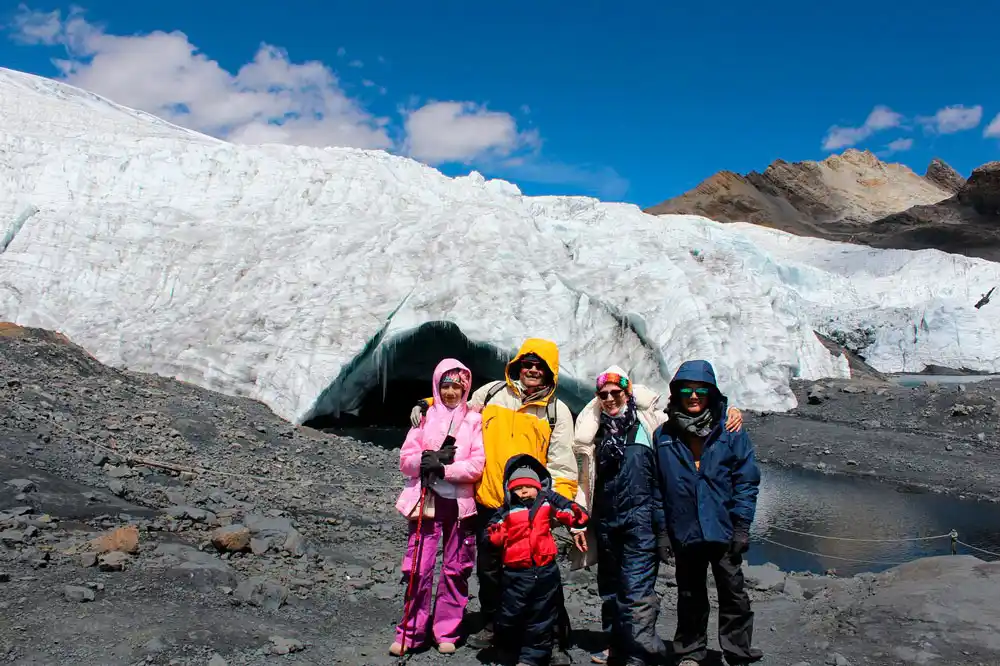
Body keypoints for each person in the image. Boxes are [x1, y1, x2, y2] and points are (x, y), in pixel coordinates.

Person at [410, 338, 579, 663]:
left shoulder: (556, 412)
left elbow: (561, 463)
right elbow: (457, 408)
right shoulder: (492, 394)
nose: (532, 370)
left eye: (539, 366)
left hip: (531, 507)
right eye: (527, 364)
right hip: (489, 500)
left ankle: (549, 634)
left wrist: (561, 503)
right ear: (518, 365)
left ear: (550, 372)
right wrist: (426, 401)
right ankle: (494, 623)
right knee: (489, 570)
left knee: (536, 572)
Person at [572, 366, 743, 666]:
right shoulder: (592, 430)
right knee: (611, 589)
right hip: (607, 520)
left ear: (628, 392)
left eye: (616, 392)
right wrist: (580, 519)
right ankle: (616, 644)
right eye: (604, 394)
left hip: (641, 522)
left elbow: (693, 421)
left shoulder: (652, 423)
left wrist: (731, 411)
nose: (610, 398)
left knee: (637, 591)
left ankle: (641, 653)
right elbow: (583, 479)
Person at [652, 360, 763, 666]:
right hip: (685, 528)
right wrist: (662, 531)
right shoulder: (663, 435)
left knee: (733, 592)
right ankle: (690, 652)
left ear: (711, 393)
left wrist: (742, 525)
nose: (693, 396)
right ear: (676, 393)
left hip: (722, 526)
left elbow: (747, 480)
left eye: (701, 390)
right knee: (690, 595)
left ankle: (738, 652)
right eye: (686, 389)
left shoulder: (730, 430)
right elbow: (658, 488)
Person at [391, 359, 486, 656]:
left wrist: (446, 469)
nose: (450, 392)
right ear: (437, 386)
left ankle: (447, 629)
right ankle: (411, 633)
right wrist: (425, 460)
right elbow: (405, 460)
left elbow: (477, 466)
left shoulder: (474, 420)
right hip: (427, 501)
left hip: (460, 506)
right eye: (445, 385)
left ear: (465, 388)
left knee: (455, 569)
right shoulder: (424, 417)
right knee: (419, 568)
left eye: (457, 386)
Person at [487, 454, 590, 666]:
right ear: (510, 490)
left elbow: (566, 511)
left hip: (544, 570)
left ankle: (530, 658)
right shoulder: (506, 512)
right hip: (517, 573)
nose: (523, 491)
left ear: (538, 486)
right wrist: (495, 535)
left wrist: (577, 516)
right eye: (518, 488)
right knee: (511, 614)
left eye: (528, 486)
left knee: (540, 617)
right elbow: (492, 534)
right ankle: (508, 649)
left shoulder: (546, 503)